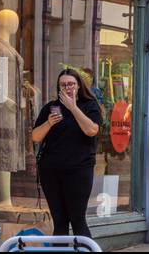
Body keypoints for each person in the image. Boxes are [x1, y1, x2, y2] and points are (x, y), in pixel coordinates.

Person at [31, 68, 102, 237]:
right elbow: (35, 137)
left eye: (71, 84)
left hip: (79, 170)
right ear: (58, 87)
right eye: (63, 85)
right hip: (51, 171)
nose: (67, 87)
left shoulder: (90, 106)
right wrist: (48, 123)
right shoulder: (51, 108)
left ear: (78, 86)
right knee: (60, 221)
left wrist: (73, 107)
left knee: (77, 220)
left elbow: (91, 130)